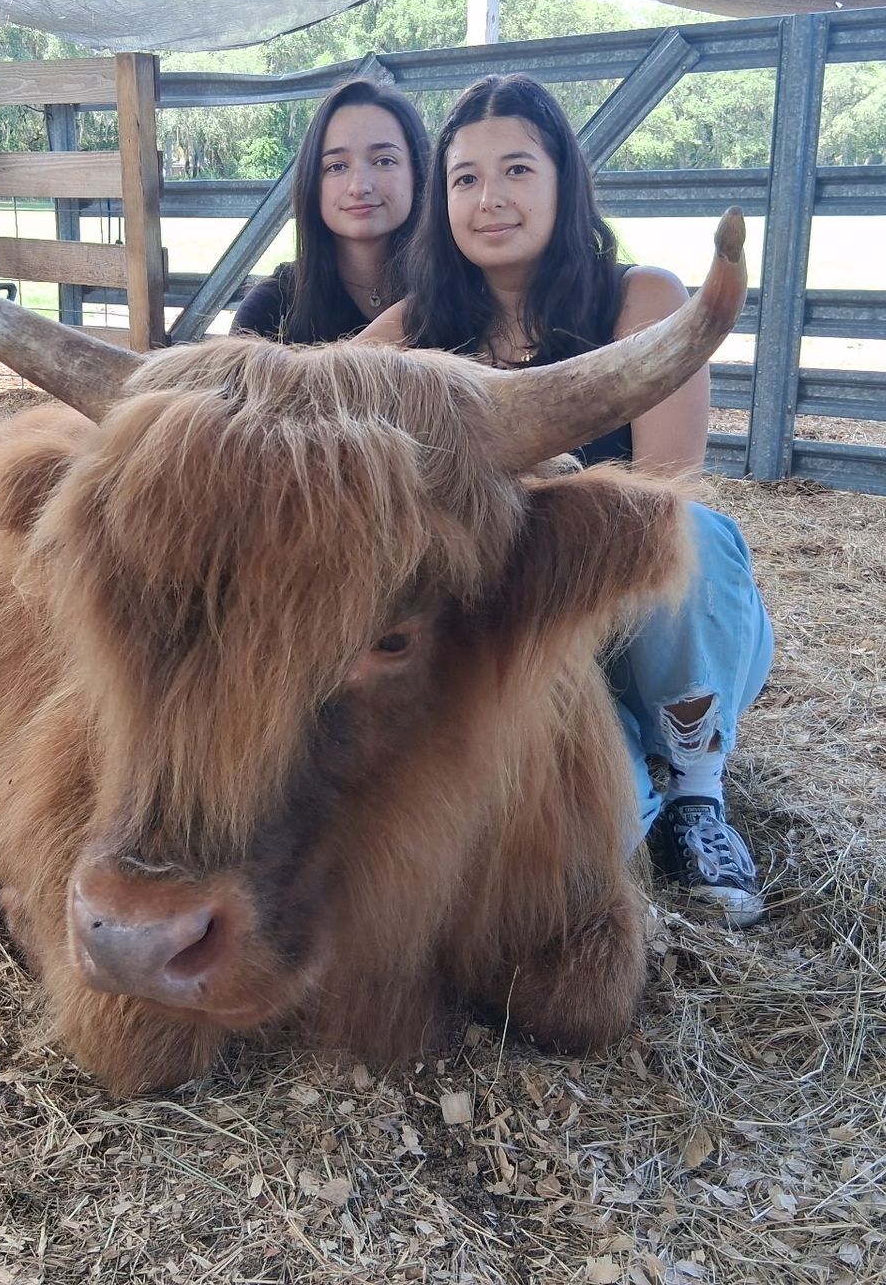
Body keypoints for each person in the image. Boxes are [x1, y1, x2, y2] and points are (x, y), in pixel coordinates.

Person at [360, 74, 775, 928]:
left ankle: (698, 793)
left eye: (517, 169)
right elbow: (304, 403)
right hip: (512, 636)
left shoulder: (644, 300)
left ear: (563, 182)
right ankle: (636, 782)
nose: (490, 198)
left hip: (645, 621)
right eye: (466, 178)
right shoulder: (406, 332)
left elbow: (668, 488)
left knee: (687, 530)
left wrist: (539, 486)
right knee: (590, 832)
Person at [232, 78, 429, 343]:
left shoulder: (459, 296)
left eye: (384, 161)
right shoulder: (269, 310)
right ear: (313, 183)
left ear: (417, 173)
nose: (359, 187)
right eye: (336, 166)